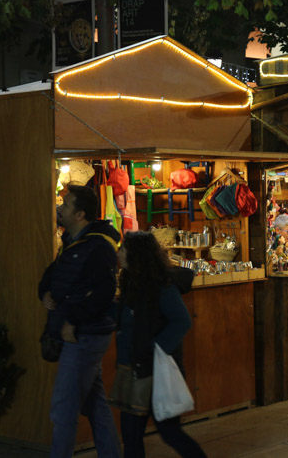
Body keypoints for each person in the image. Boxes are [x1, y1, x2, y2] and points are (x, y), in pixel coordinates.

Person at [38, 185, 121, 458]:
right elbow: (53, 276)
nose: (60, 208)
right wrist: (45, 293)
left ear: (80, 214)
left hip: (83, 335)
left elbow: (105, 292)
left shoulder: (96, 247)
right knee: (95, 405)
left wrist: (73, 319)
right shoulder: (73, 243)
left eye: (66, 204)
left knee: (63, 409)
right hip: (81, 334)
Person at [115, 231, 206, 458]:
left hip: (156, 372)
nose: (119, 252)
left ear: (137, 256)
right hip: (135, 369)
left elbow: (182, 321)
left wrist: (154, 349)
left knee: (168, 432)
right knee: (132, 434)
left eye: (123, 249)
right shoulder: (131, 283)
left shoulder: (161, 287)